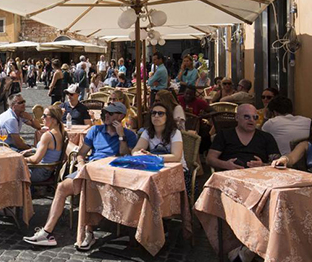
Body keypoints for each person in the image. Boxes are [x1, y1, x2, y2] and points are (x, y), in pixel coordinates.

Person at [23, 101, 137, 249]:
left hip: (111, 176)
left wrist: (121, 136)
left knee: (90, 189)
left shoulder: (129, 135)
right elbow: (81, 154)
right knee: (62, 187)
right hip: (90, 170)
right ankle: (47, 232)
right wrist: (82, 164)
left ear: (121, 116)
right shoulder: (95, 131)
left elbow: (125, 156)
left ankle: (88, 232)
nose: (106, 116)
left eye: (110, 113)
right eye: (105, 113)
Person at [133, 101, 188, 189]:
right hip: (155, 170)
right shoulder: (147, 132)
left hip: (177, 171)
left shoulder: (175, 133)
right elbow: (136, 150)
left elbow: (176, 156)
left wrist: (153, 157)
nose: (156, 116)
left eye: (160, 113)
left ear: (167, 117)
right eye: (153, 113)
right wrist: (139, 154)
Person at [207, 104, 279, 170]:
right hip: (230, 176)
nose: (251, 120)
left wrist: (263, 165)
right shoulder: (224, 134)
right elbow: (210, 159)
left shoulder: (266, 137)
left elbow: (278, 163)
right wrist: (225, 165)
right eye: (247, 117)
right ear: (237, 118)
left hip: (259, 178)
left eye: (255, 117)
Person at [24, 105, 65, 182]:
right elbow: (49, 151)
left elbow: (35, 160)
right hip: (49, 170)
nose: (42, 118)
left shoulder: (48, 136)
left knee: (12, 171)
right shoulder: (60, 131)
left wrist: (22, 159)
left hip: (40, 172)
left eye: (45, 116)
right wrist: (30, 150)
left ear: (53, 119)